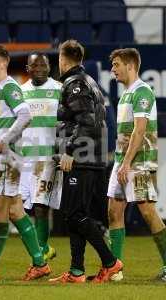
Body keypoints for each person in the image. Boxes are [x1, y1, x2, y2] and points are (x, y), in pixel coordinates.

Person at [0, 45, 51, 282]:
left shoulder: (9, 87)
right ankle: (40, 264)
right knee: (16, 210)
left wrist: (5, 140)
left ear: (4, 63)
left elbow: (26, 115)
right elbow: (2, 126)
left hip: (7, 161)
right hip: (2, 158)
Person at [49, 40, 122, 284]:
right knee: (76, 213)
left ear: (63, 58)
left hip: (83, 158)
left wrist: (69, 150)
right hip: (93, 158)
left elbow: (86, 121)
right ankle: (77, 271)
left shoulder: (75, 83)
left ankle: (110, 262)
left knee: (73, 214)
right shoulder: (89, 80)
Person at [107, 48, 166, 282]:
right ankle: (115, 268)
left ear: (130, 66)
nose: (113, 69)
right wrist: (121, 162)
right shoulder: (125, 94)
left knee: (147, 211)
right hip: (123, 162)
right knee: (113, 210)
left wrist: (127, 163)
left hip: (139, 162)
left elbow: (140, 130)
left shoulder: (143, 91)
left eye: (116, 64)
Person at [19, 52, 62, 261]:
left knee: (40, 206)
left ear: (49, 67)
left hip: (48, 158)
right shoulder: (21, 91)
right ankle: (44, 249)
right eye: (34, 66)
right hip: (25, 159)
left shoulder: (59, 89)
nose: (39, 69)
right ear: (27, 68)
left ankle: (42, 252)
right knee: (18, 208)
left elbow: (67, 121)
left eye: (43, 66)